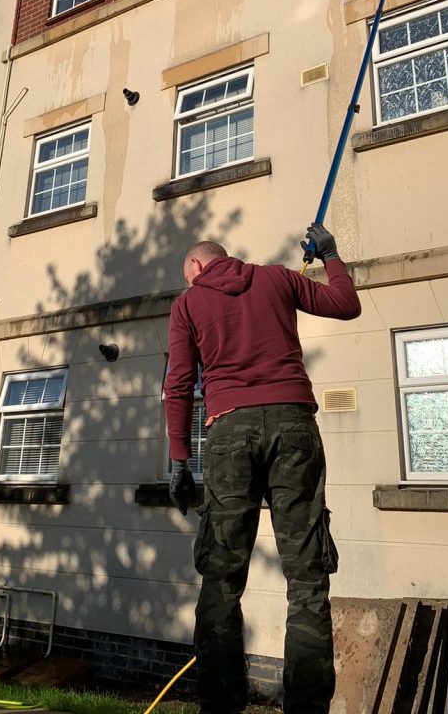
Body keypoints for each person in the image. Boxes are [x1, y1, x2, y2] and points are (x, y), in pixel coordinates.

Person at [165, 224, 361, 714]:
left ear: (195, 267)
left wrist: (180, 461)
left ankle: (220, 705)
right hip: (294, 424)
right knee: (307, 579)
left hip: (229, 432)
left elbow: (180, 383)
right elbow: (344, 303)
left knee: (222, 579)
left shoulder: (188, 304)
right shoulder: (278, 279)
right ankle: (307, 707)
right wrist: (331, 255)